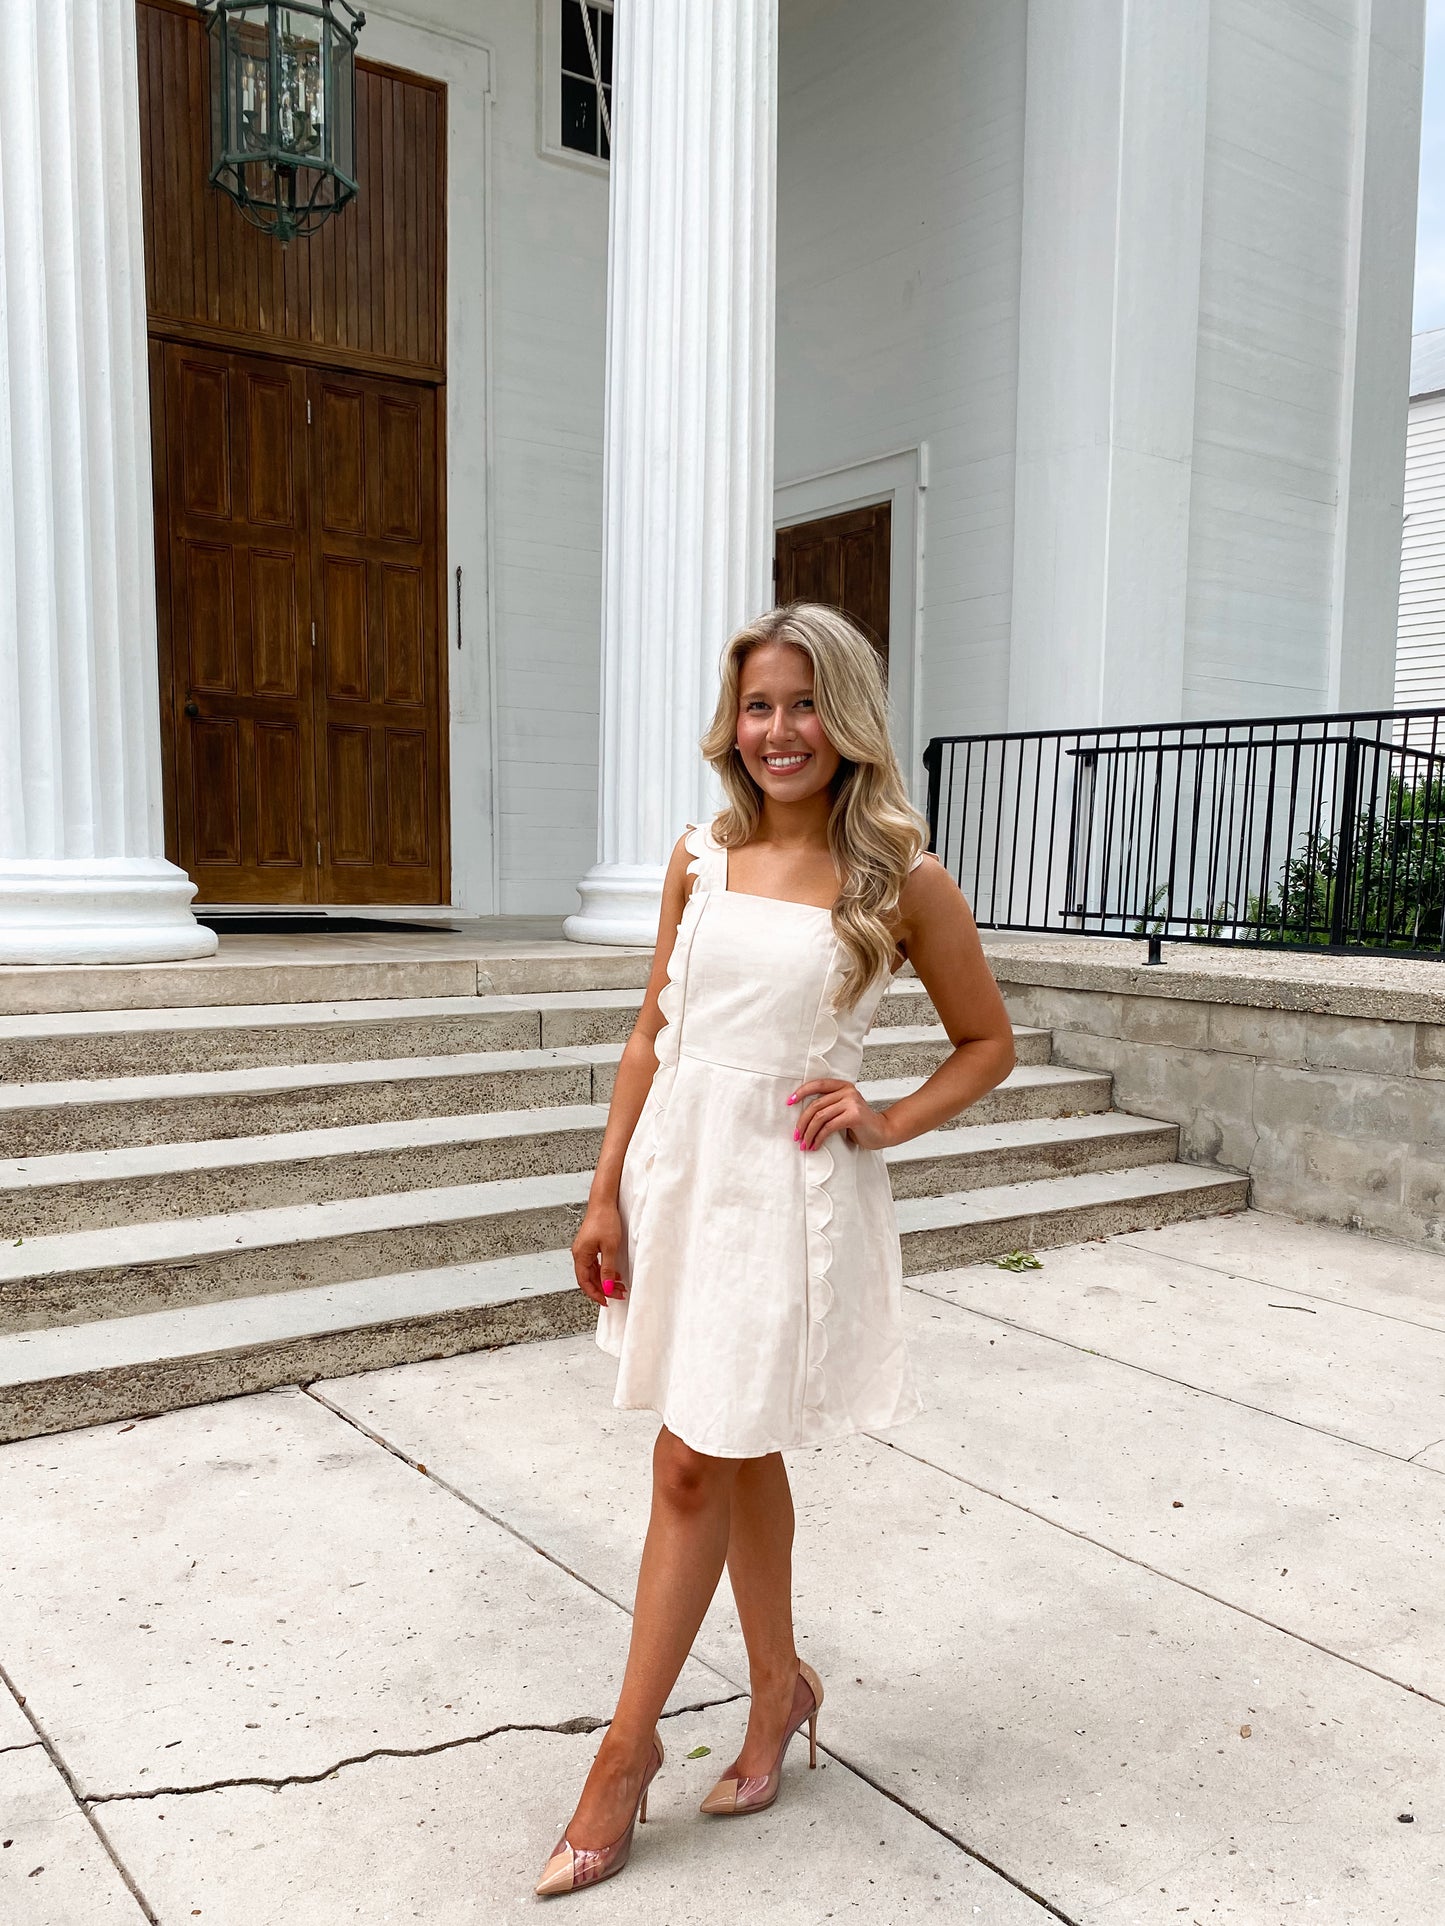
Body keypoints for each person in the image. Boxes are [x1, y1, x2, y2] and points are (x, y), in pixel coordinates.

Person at [533, 603, 1016, 1897]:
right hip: (681, 1179)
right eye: (757, 705)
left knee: (693, 1456)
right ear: (730, 721)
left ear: (843, 715)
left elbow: (988, 1040)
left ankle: (622, 1757)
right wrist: (603, 1194)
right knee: (728, 1445)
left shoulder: (902, 880)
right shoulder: (699, 857)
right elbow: (652, 1031)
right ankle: (779, 1688)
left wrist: (887, 1114)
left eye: (802, 703)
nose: (778, 730)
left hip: (791, 1194)